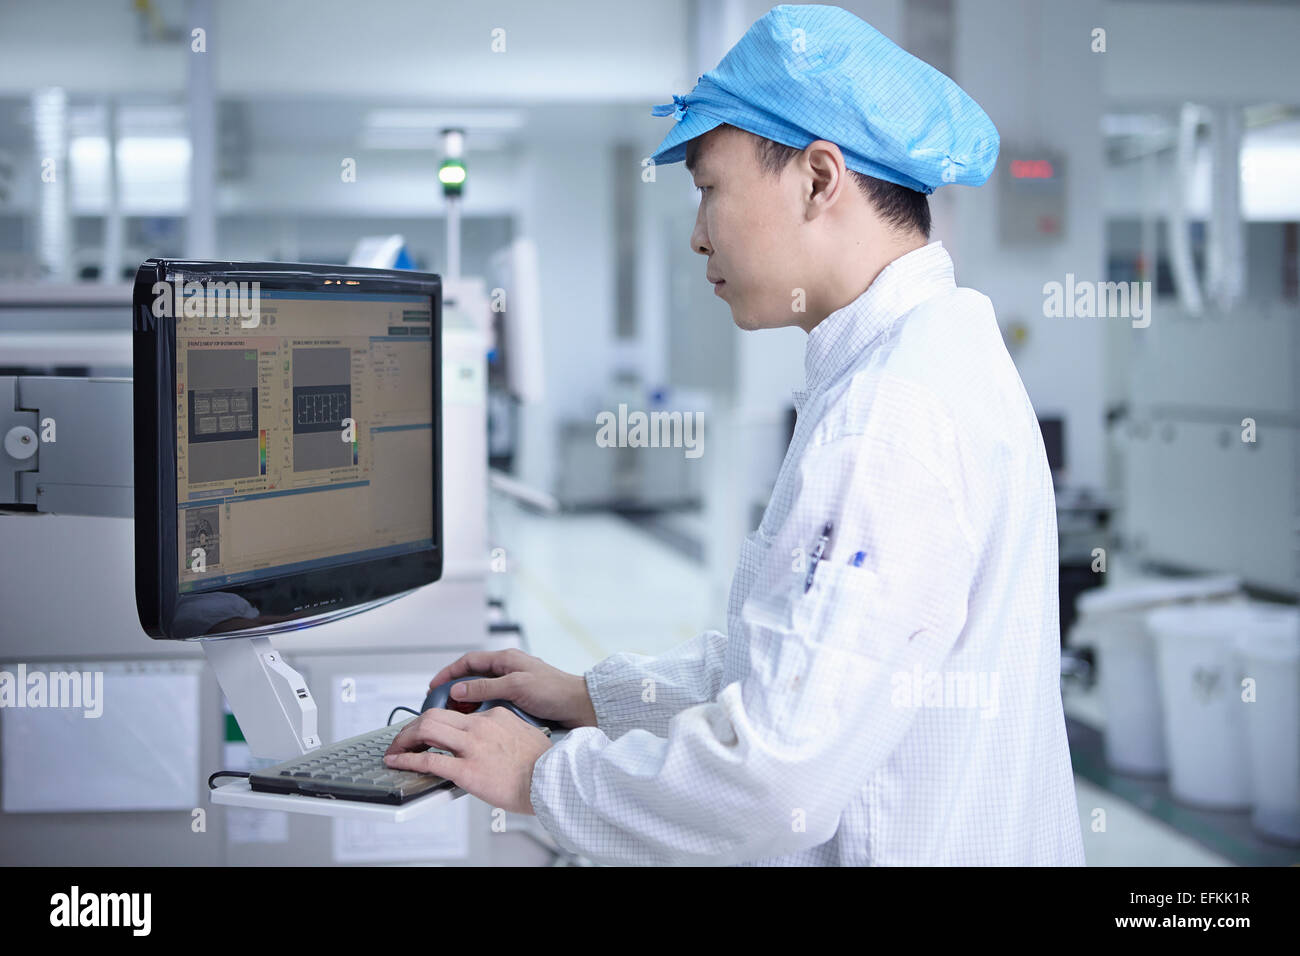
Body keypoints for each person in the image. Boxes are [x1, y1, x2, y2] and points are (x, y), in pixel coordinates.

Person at [386, 3, 1086, 866]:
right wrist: (592, 698)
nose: (695, 233)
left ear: (820, 180)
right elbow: (793, 659)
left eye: (710, 189)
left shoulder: (889, 417)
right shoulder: (936, 347)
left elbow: (771, 780)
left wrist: (543, 776)